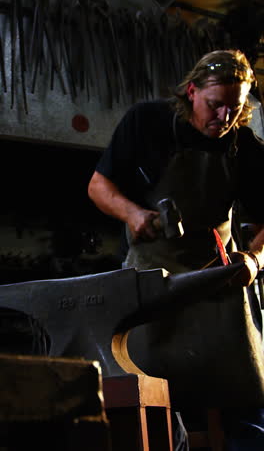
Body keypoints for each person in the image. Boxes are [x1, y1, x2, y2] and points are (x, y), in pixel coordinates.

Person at [88, 50, 264, 450]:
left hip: (215, 278)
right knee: (148, 389)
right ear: (191, 91)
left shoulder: (246, 147)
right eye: (214, 105)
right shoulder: (147, 123)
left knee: (244, 391)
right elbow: (98, 186)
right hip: (151, 278)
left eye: (234, 109)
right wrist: (133, 214)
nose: (223, 118)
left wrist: (254, 259)